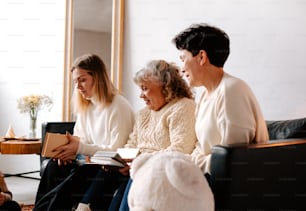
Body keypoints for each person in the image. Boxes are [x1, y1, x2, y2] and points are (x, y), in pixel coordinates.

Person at [117, 23, 269, 210]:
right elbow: (199, 147)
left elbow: (232, 159)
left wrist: (185, 163)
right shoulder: (205, 95)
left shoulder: (232, 90)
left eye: (183, 59)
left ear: (202, 57)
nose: (181, 69)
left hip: (223, 182)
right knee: (146, 173)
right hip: (204, 174)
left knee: (150, 174)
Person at [75, 59, 197, 211]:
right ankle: (83, 206)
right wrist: (123, 161)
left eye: (145, 89)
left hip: (161, 172)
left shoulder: (183, 107)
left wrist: (138, 162)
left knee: (129, 179)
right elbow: (131, 145)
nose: (141, 96)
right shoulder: (143, 114)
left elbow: (180, 149)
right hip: (136, 170)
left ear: (165, 86)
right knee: (104, 170)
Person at [34, 54, 135, 211]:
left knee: (76, 178)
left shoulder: (118, 106)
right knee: (53, 167)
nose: (78, 86)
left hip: (109, 167)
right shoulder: (86, 107)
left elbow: (117, 153)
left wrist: (79, 148)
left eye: (82, 80)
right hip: (89, 162)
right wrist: (68, 153)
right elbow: (81, 140)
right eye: (76, 81)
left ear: (98, 77)